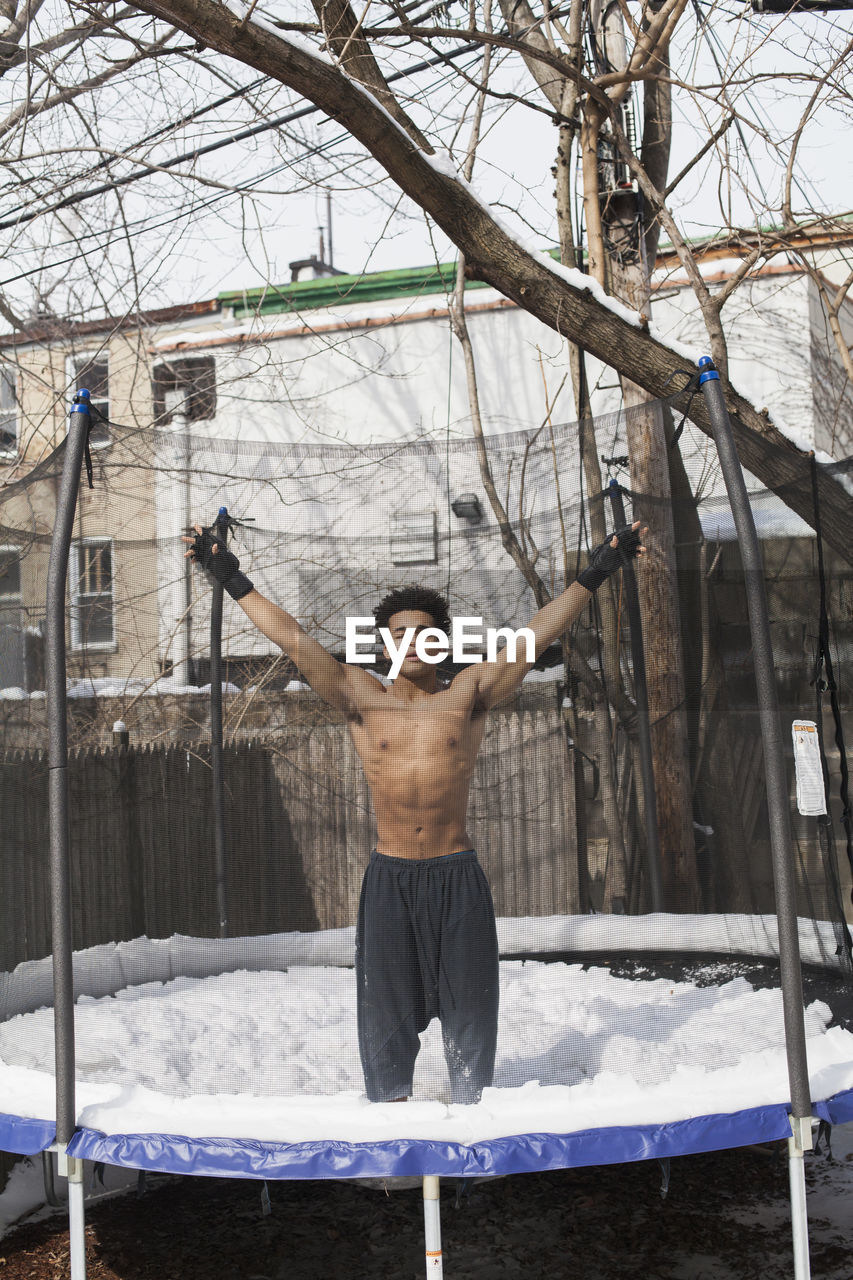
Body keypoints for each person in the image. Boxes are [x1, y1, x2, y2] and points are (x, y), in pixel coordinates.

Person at [184, 521, 647, 1105]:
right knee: (385, 1017)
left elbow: (537, 633)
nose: (412, 643)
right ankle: (393, 1137)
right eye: (400, 634)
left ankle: (473, 1135)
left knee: (471, 1014)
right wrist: (226, 573)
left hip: (458, 877)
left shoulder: (468, 696)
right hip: (391, 880)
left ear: (443, 644)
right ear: (383, 646)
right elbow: (293, 640)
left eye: (425, 634)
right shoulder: (361, 698)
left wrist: (601, 567)